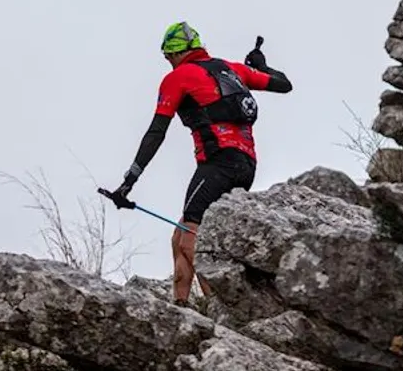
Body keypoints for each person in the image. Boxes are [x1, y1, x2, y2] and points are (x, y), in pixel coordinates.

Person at [107, 21, 292, 304]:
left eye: (168, 56)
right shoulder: (233, 68)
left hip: (217, 164)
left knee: (188, 239)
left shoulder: (178, 77)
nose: (168, 63)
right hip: (246, 165)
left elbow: (156, 132)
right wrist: (262, 66)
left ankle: (223, 306)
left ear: (178, 52)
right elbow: (284, 84)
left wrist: (129, 181)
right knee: (178, 237)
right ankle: (182, 305)